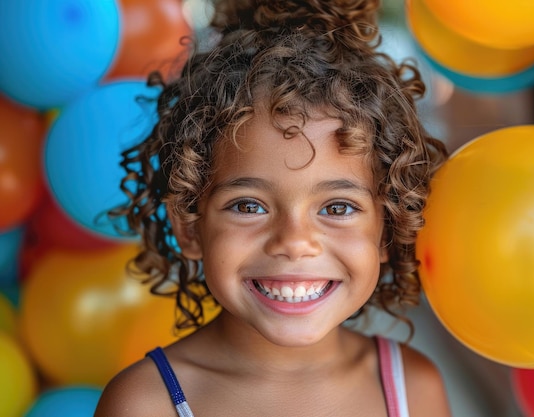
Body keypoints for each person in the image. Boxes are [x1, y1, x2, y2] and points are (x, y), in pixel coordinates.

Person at [95, 0, 451, 415]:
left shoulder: (413, 389)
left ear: (388, 227)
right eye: (249, 206)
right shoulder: (145, 404)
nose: (294, 242)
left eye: (337, 208)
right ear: (190, 226)